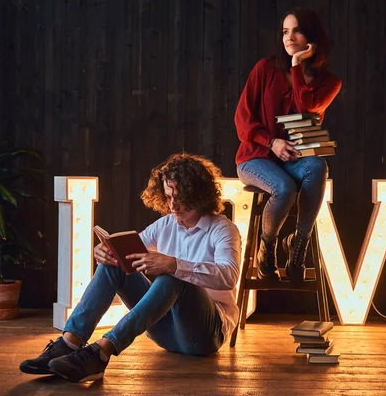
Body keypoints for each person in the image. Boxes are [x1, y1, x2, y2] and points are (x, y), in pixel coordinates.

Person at [19, 153, 241, 382]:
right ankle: (68, 344)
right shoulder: (166, 224)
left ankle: (101, 352)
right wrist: (105, 254)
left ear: (199, 194)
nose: (173, 205)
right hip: (165, 333)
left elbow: (229, 277)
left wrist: (174, 264)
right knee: (113, 266)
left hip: (205, 336)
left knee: (172, 277)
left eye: (180, 197)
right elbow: (128, 251)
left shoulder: (223, 230)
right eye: (168, 197)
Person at [234, 7, 342, 284]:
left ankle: (298, 245)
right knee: (284, 188)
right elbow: (242, 120)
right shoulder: (265, 68)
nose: (289, 37)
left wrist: (296, 65)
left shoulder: (330, 82)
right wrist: (271, 142)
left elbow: (307, 105)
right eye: (285, 31)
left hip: (295, 158)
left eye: (296, 30)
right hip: (255, 156)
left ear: (313, 36)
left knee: (318, 166)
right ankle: (267, 248)